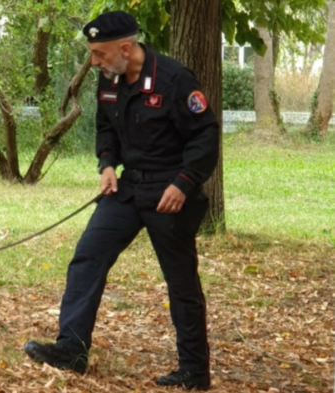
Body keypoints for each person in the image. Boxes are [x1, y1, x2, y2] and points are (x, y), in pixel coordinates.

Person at [23, 10, 219, 391]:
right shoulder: (110, 78)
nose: (94, 61)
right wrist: (107, 163)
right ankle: (71, 351)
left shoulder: (176, 80)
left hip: (169, 193)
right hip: (127, 190)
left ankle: (195, 371)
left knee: (180, 282)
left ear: (125, 49)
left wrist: (184, 183)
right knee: (86, 258)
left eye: (99, 53)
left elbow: (206, 136)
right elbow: (106, 127)